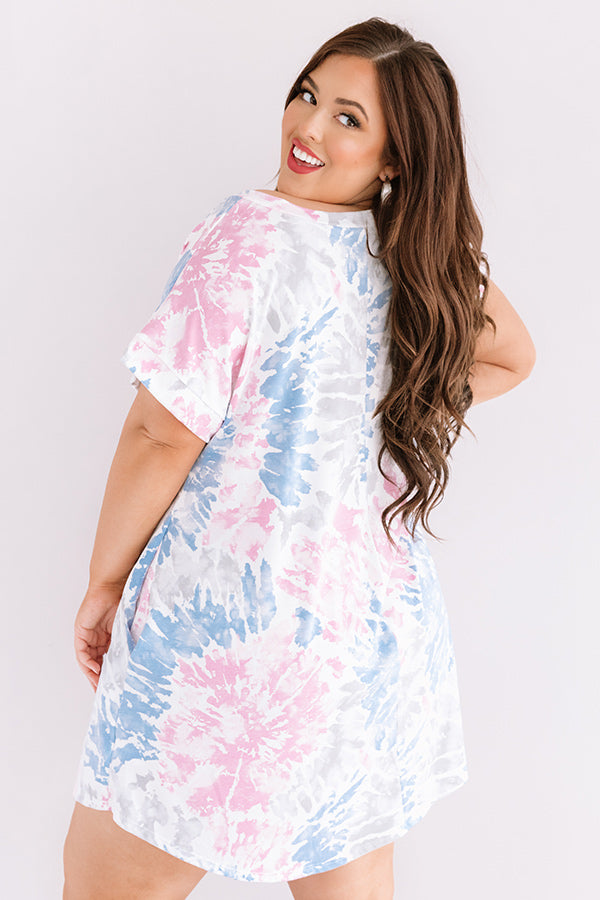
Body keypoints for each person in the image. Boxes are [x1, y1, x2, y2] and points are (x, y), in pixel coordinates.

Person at [62, 16, 536, 900]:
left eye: (349, 118)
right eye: (308, 95)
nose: (308, 127)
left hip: (231, 635)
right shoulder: (413, 257)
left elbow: (162, 433)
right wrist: (384, 404)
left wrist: (104, 581)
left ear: (396, 157)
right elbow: (511, 355)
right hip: (368, 636)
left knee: (112, 887)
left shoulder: (247, 238)